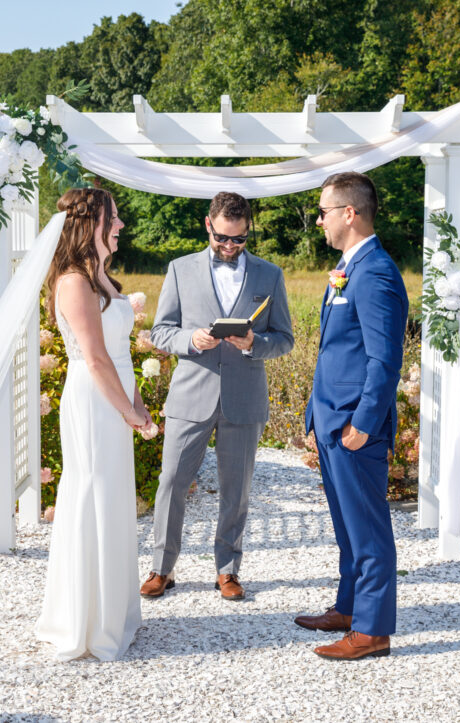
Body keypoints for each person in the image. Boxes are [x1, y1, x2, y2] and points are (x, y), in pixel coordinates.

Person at [142, 191, 294, 601]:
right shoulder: (179, 269)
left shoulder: (270, 275)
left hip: (244, 398)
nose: (230, 246)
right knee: (171, 482)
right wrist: (190, 339)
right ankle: (161, 567)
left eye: (239, 239)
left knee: (237, 489)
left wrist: (251, 343)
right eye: (223, 238)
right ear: (208, 225)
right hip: (191, 394)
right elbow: (160, 331)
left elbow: (284, 339)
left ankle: (228, 570)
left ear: (248, 232)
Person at [35, 188, 152, 661]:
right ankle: (84, 621)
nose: (121, 225)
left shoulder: (102, 277)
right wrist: (129, 412)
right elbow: (97, 358)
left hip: (116, 395)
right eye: (114, 217)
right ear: (92, 225)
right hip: (92, 399)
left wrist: (138, 404)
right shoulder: (72, 283)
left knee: (114, 497)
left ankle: (114, 611)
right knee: (92, 495)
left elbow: (122, 355)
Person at [297, 172, 408, 660]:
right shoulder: (348, 267)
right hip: (331, 420)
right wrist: (312, 416)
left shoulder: (376, 271)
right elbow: (334, 352)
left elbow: (385, 360)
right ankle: (347, 606)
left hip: (354, 426)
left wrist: (362, 422)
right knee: (346, 525)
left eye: (323, 211)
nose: (318, 220)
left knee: (368, 529)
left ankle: (372, 630)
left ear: (350, 213)